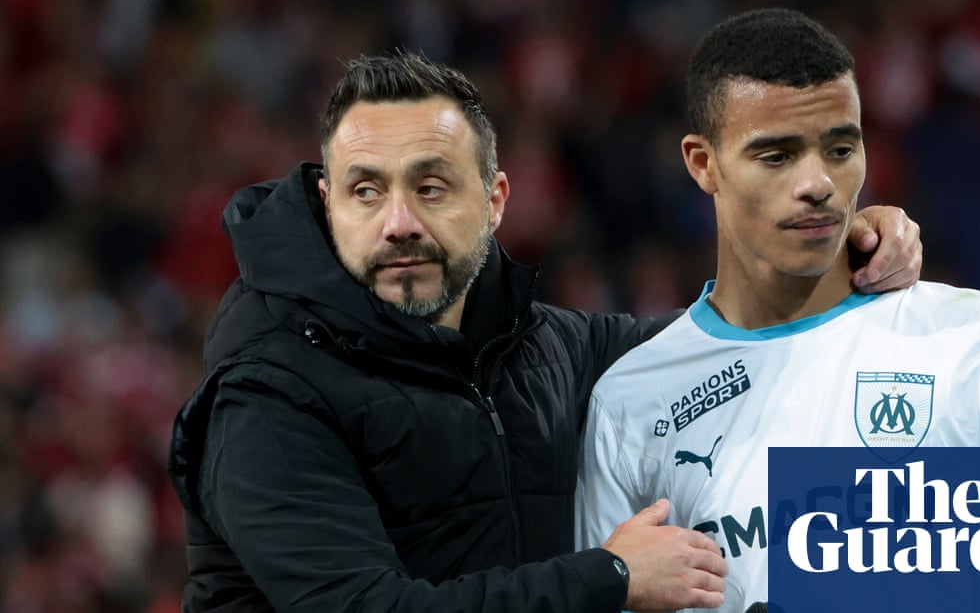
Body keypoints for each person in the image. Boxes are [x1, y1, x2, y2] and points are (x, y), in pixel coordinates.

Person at [166, 50, 924, 612]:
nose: (398, 223)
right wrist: (612, 578)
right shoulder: (268, 393)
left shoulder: (544, 348)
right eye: (367, 192)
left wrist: (841, 255)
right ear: (329, 203)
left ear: (496, 199)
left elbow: (718, 342)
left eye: (431, 187)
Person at [575, 8, 980, 613]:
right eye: (776, 156)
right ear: (702, 163)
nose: (818, 183)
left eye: (841, 148)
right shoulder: (631, 401)